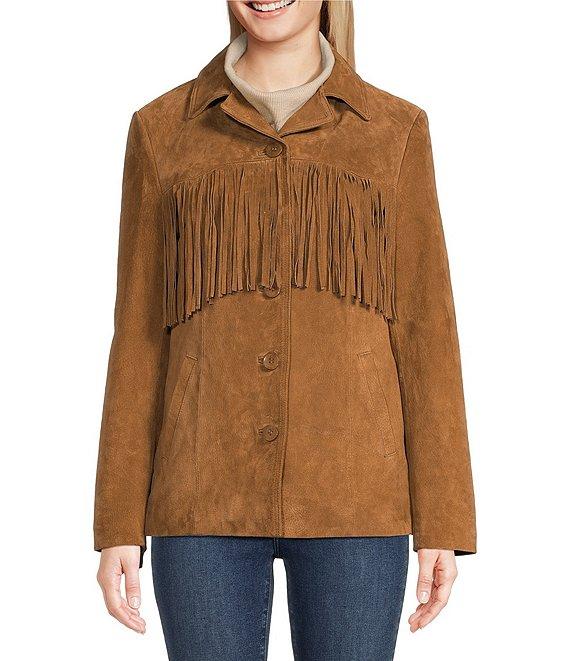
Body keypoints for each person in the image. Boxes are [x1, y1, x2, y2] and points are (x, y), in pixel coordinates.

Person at [94, 1, 477, 659]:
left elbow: (426, 332)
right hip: (201, 495)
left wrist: (444, 519)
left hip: (358, 499)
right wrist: (117, 521)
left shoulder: (395, 131)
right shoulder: (162, 131)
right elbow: (138, 332)